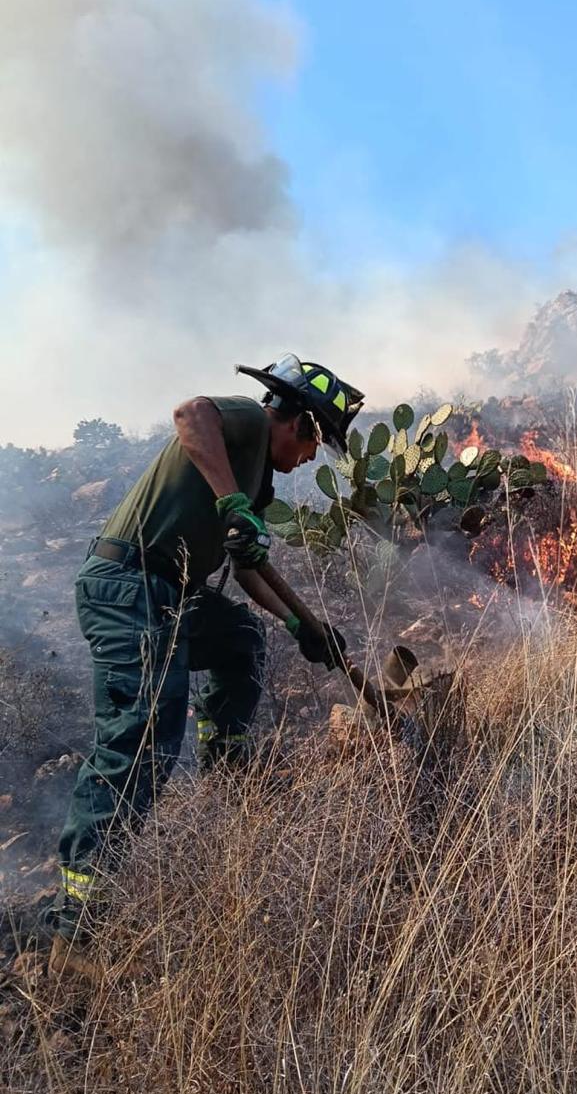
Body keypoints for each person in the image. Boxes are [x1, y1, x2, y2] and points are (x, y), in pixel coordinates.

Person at [49, 354, 364, 962]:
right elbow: (190, 414)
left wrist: (303, 625)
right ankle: (76, 926)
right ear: (299, 422)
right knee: (141, 742)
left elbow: (249, 569)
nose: (311, 461)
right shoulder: (244, 420)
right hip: (129, 585)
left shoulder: (253, 479)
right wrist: (230, 506)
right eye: (317, 444)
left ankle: (229, 773)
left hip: (175, 593)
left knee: (241, 640)